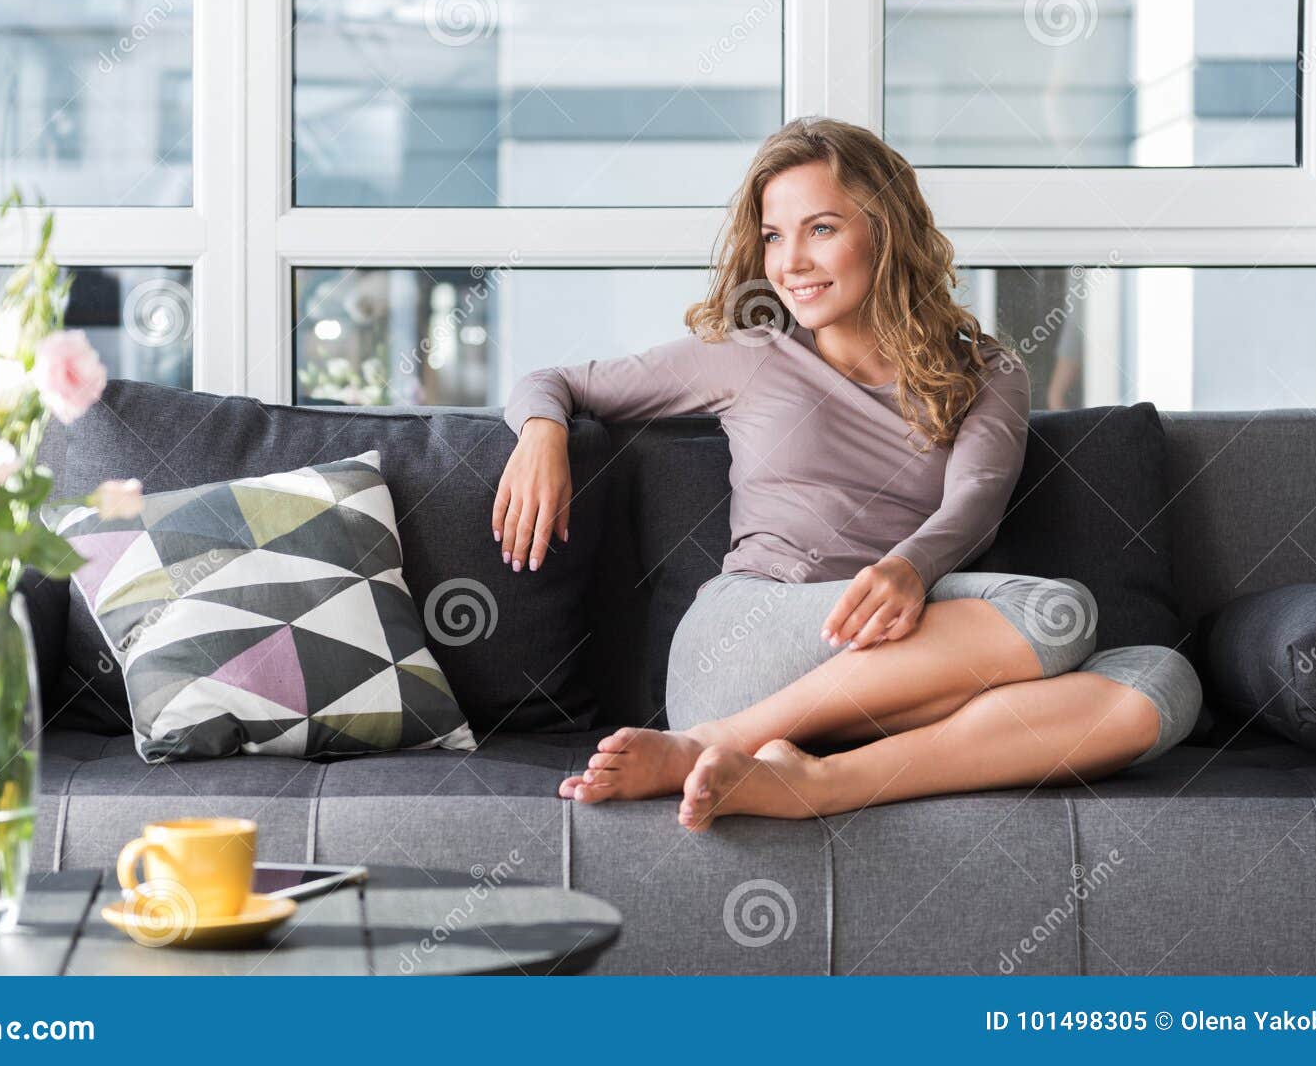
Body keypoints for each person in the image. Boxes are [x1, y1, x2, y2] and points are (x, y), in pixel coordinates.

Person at [491, 117, 1201, 833]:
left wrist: (909, 569)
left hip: (900, 655)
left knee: (1158, 682)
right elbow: (551, 380)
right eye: (774, 236)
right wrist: (544, 434)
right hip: (750, 641)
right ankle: (712, 741)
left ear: (886, 233)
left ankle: (821, 782)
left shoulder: (986, 371)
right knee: (1057, 618)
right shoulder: (749, 353)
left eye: (821, 229)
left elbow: (976, 502)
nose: (791, 261)